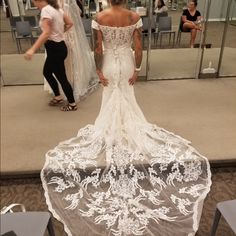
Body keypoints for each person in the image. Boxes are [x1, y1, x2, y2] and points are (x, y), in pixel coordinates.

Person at [41, 0, 211, 235]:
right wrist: (138, 70)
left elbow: (98, 48)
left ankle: (113, 131)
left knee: (111, 96)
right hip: (127, 61)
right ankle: (124, 128)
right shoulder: (133, 17)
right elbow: (138, 46)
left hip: (110, 62)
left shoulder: (100, 17)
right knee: (127, 97)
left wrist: (99, 70)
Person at [24, 0, 77, 111]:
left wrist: (32, 49)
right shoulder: (58, 9)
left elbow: (46, 32)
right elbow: (70, 23)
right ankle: (58, 97)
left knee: (62, 78)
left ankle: (72, 104)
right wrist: (60, 33)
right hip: (60, 47)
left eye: (34, 2)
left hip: (55, 49)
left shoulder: (46, 10)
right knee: (47, 72)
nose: (34, 4)